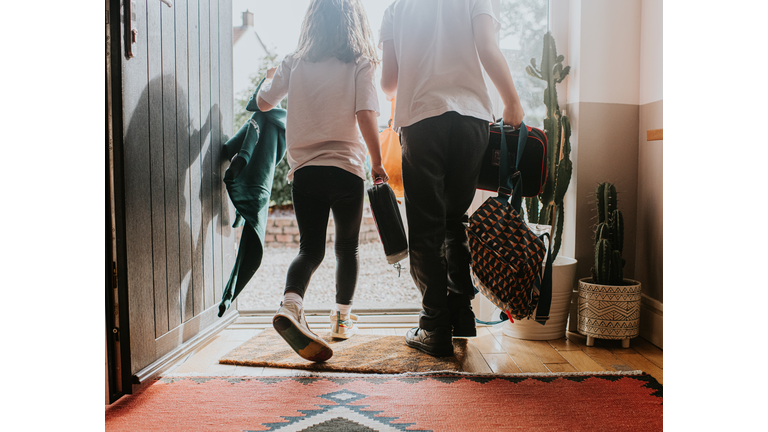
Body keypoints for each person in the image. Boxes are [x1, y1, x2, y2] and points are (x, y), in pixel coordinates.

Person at [379, 0, 525, 357]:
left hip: (422, 119)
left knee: (427, 227)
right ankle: (461, 312)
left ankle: (433, 325)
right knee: (454, 220)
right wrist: (512, 102)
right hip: (472, 120)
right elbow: (487, 48)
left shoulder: (397, 8)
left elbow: (389, 83)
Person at [257, 0, 388, 362]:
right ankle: (342, 320)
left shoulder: (294, 61)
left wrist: (269, 77)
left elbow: (264, 102)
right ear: (354, 22)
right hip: (346, 171)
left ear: (312, 21)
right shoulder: (361, 62)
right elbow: (365, 114)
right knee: (348, 248)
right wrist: (376, 163)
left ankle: (290, 305)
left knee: (309, 249)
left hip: (306, 173)